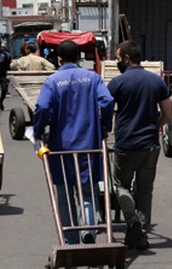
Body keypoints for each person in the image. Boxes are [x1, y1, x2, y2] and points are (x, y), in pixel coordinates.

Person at [33, 40, 114, 245]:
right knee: (88, 191)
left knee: (64, 193)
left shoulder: (52, 81)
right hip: (89, 144)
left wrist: (38, 130)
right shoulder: (92, 78)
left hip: (62, 145)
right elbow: (107, 101)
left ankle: (69, 238)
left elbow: (42, 107)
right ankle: (88, 230)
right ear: (79, 58)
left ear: (58, 59)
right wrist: (104, 126)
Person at [107, 40, 172, 250]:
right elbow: (167, 114)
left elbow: (105, 110)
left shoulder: (117, 83)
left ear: (126, 58)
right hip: (150, 145)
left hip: (126, 144)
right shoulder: (157, 82)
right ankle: (140, 234)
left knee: (120, 185)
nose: (118, 62)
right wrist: (155, 127)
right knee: (145, 190)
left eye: (118, 58)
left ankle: (131, 219)